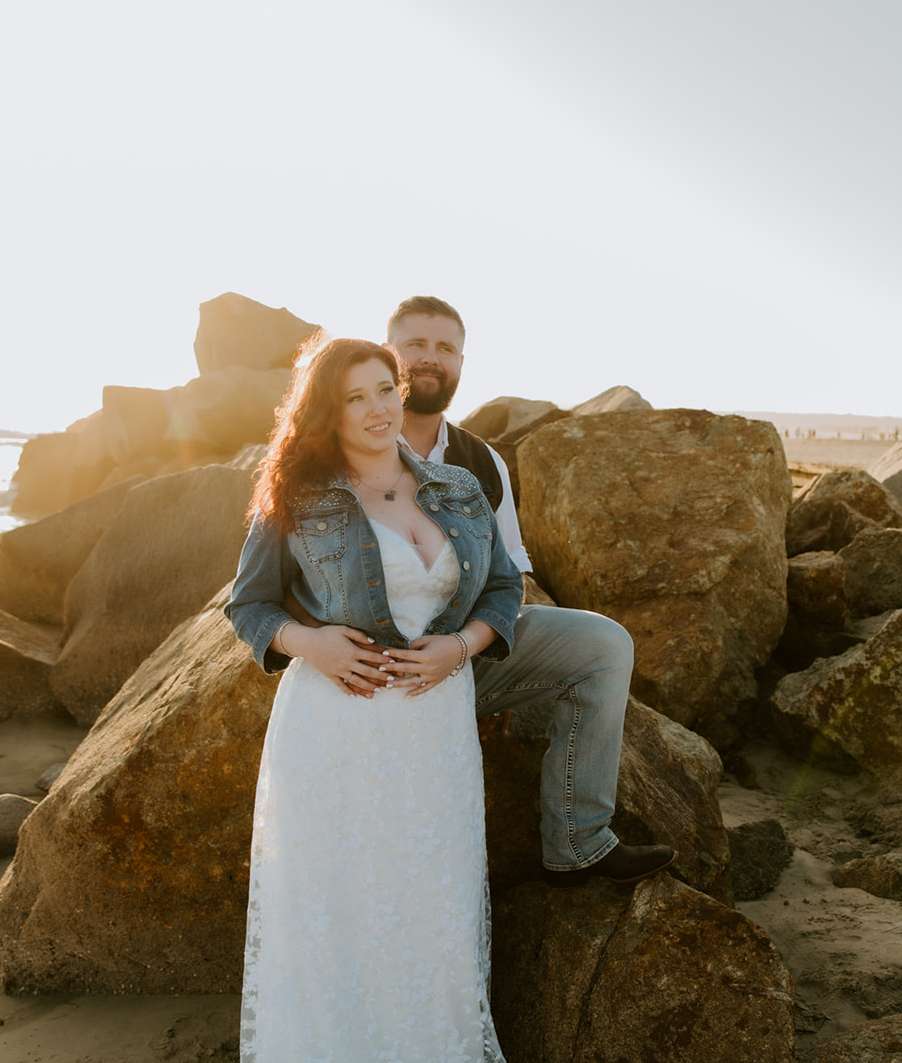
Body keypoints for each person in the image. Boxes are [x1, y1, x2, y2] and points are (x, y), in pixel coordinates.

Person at [226, 335, 532, 1063]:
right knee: (340, 918)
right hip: (335, 733)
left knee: (429, 913)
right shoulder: (296, 494)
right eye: (354, 395)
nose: (376, 408)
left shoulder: (459, 488)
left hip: (433, 728)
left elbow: (503, 590)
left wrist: (462, 646)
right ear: (324, 410)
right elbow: (248, 605)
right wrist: (305, 642)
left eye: (385, 389)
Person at [286, 295, 675, 885]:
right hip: (362, 674)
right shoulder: (312, 471)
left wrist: (470, 647)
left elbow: (507, 576)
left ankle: (579, 842)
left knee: (604, 646)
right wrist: (315, 644)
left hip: (458, 653)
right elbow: (263, 592)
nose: (430, 359)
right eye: (414, 345)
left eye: (445, 348)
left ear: (462, 362)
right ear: (387, 359)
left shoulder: (478, 466)